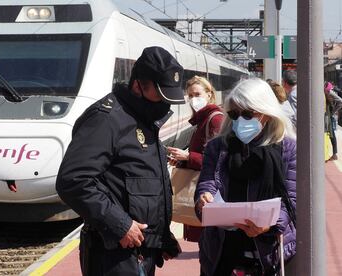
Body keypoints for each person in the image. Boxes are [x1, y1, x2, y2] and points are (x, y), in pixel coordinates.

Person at [56, 46, 183, 276]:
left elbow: (142, 182)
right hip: (112, 254)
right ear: (138, 85)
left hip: (139, 252)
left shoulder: (142, 118)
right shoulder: (107, 119)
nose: (166, 105)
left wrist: (161, 236)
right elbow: (73, 180)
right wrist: (120, 225)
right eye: (161, 95)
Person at [194, 78, 296, 276]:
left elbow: (292, 201)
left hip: (269, 255)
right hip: (221, 252)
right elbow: (207, 183)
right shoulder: (218, 146)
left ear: (266, 114)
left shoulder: (287, 148)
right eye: (234, 114)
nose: (240, 120)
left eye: (248, 114)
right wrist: (203, 198)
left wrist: (270, 224)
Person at [167, 75, 223, 242]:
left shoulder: (215, 119)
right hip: (202, 194)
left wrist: (188, 156)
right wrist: (183, 161)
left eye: (197, 94)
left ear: (209, 94)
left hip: (208, 195)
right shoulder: (203, 119)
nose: (193, 99)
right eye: (190, 95)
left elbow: (218, 162)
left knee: (209, 247)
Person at [324, 81, 342, 161]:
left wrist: (332, 112)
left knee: (331, 134)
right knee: (330, 134)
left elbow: (340, 101)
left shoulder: (329, 91)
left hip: (328, 115)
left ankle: (334, 154)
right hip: (327, 115)